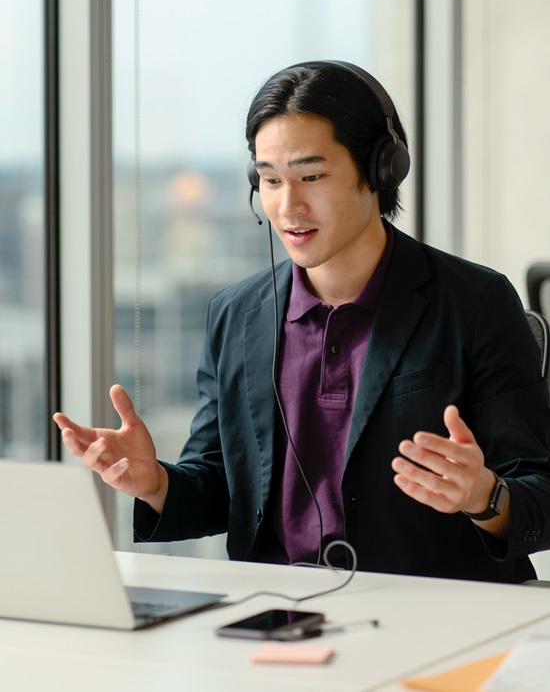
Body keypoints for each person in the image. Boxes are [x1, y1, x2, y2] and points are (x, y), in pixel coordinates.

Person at [54, 60, 550, 583]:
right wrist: (155, 482)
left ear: (380, 170)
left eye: (311, 176)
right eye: (269, 180)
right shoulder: (235, 315)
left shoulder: (474, 301)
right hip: (277, 616)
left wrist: (485, 497)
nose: (288, 206)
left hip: (436, 617)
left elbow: (540, 489)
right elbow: (224, 486)